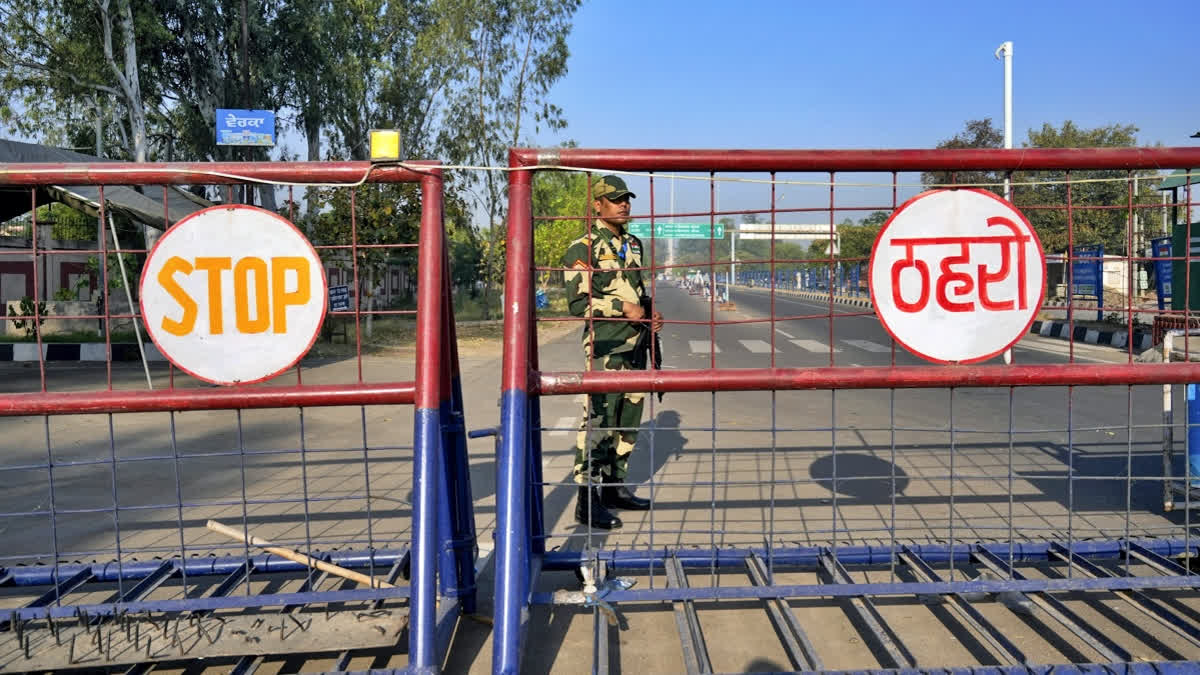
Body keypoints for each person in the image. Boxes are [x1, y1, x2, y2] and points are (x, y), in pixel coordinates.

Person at [561, 175, 663, 530]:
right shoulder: (583, 248)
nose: (624, 204)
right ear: (598, 206)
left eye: (626, 199)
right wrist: (624, 309)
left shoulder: (633, 244)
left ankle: (614, 489)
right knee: (598, 423)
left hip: (635, 346)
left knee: (627, 422)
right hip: (605, 349)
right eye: (615, 199)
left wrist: (648, 313)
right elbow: (578, 303)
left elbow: (637, 291)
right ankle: (587, 502)